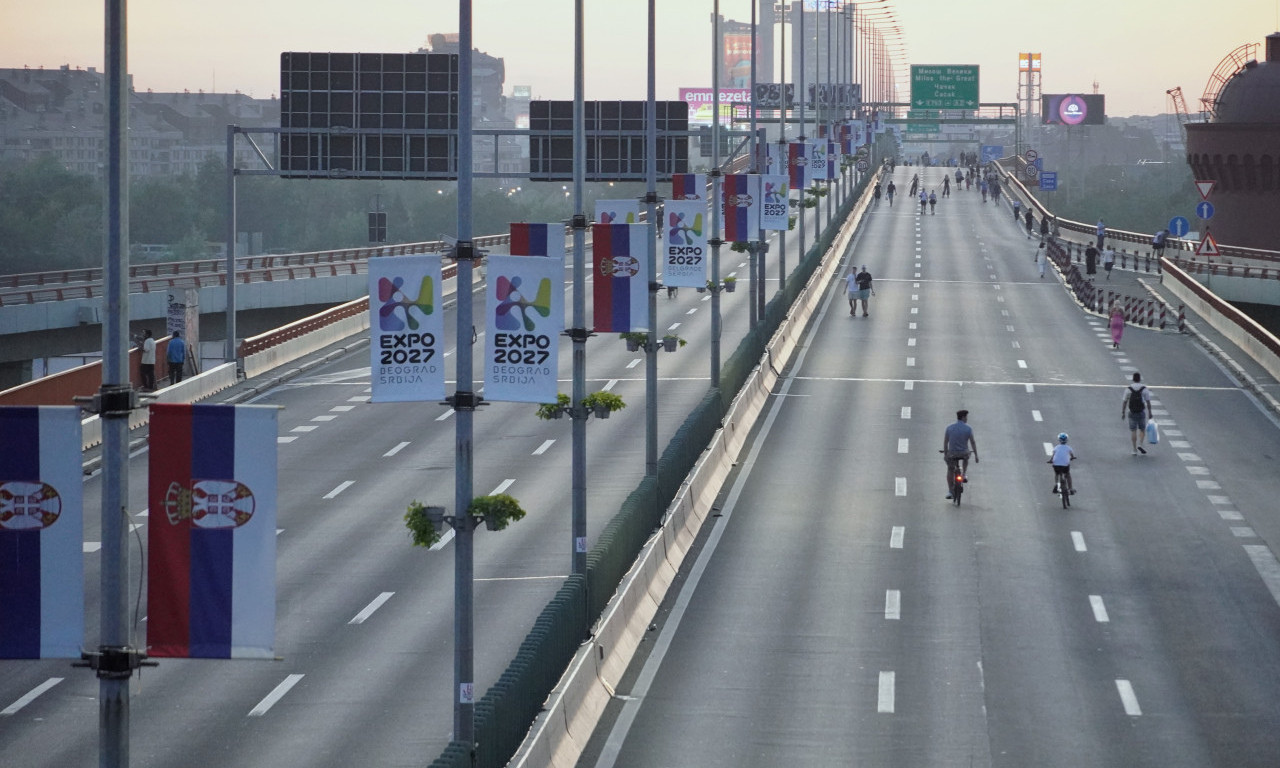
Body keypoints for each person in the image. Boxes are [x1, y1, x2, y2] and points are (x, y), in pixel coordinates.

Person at [942, 409, 979, 499]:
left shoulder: (949, 427)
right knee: (966, 457)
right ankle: (964, 474)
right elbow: (972, 442)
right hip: (963, 453)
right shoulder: (968, 428)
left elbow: (946, 442)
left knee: (950, 469)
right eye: (966, 417)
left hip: (952, 453)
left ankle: (950, 491)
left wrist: (946, 454)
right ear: (963, 417)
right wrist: (976, 455)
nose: (967, 419)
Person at [1122, 372, 1153, 455]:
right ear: (1140, 379)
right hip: (1141, 412)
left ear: (1133, 379)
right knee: (1142, 429)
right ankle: (1140, 444)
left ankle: (1134, 449)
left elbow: (1125, 402)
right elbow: (1148, 401)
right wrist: (1150, 412)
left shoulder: (1128, 389)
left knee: (1133, 430)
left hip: (1131, 412)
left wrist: (1123, 412)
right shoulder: (1144, 389)